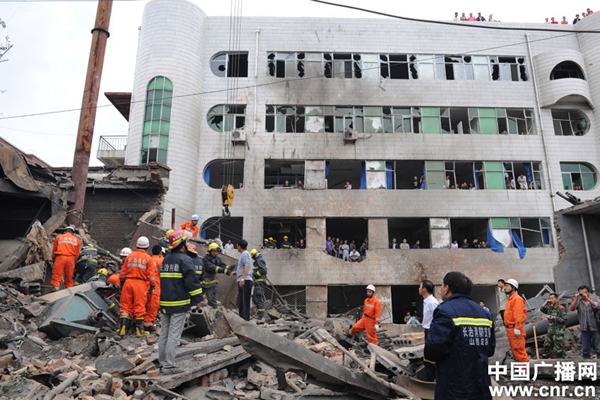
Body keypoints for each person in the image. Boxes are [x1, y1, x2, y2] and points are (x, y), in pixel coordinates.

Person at [424, 271, 495, 400]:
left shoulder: (445, 311)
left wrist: (429, 363)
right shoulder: (485, 314)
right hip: (481, 384)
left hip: (454, 385)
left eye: (442, 285)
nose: (441, 289)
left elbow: (434, 347)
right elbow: (490, 349)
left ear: (447, 288)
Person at [158, 229, 204, 375]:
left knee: (164, 334)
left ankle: (162, 363)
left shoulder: (166, 260)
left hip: (165, 303)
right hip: (178, 304)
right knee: (174, 335)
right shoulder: (185, 260)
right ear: (182, 244)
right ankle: (169, 366)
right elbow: (192, 282)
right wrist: (198, 299)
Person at [118, 236, 155, 337]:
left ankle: (122, 328)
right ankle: (139, 331)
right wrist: (152, 285)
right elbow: (151, 275)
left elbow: (123, 272)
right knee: (139, 306)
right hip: (140, 284)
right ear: (147, 247)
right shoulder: (148, 258)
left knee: (125, 306)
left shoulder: (129, 256)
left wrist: (122, 283)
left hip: (128, 282)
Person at [569, 285, 600, 359]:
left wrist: (588, 299)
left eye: (585, 292)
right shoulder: (579, 302)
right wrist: (576, 298)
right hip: (584, 329)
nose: (583, 294)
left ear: (589, 293)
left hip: (594, 328)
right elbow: (571, 308)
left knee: (598, 348)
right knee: (585, 350)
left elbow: (597, 306)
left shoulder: (593, 300)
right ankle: (586, 365)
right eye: (581, 293)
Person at [202, 243, 235, 311]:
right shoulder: (205, 259)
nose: (215, 253)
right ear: (210, 251)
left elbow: (223, 267)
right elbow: (212, 268)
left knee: (212, 300)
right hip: (202, 282)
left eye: (216, 251)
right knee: (198, 298)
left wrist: (231, 268)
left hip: (212, 282)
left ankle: (215, 315)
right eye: (214, 251)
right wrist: (226, 271)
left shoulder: (218, 258)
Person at [504, 278, 529, 362]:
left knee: (519, 352)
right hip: (510, 329)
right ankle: (522, 371)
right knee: (515, 352)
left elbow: (518, 315)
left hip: (515, 329)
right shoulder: (510, 300)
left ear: (513, 288)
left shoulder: (517, 299)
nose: (505, 288)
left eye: (507, 286)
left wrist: (517, 327)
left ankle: (525, 372)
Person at [420, 280, 439, 382]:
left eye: (420, 287)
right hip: (428, 331)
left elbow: (438, 319)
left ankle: (432, 380)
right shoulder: (427, 301)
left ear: (424, 289)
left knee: (430, 357)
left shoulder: (432, 302)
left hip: (432, 331)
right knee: (427, 357)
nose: (419, 289)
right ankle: (430, 379)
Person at [51, 226, 81, 291]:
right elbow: (77, 253)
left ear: (64, 231)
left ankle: (55, 287)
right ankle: (69, 289)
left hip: (60, 257)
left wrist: (53, 259)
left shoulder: (58, 237)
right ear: (72, 233)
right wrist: (74, 260)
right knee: (69, 275)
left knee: (57, 273)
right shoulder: (76, 240)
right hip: (71, 259)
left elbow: (54, 250)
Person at [541, 293, 567, 358]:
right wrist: (545, 303)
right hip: (550, 331)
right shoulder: (550, 308)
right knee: (547, 346)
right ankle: (545, 361)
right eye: (550, 298)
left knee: (559, 348)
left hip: (558, 332)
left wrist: (554, 318)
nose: (551, 300)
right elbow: (542, 309)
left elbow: (564, 320)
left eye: (552, 298)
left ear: (557, 299)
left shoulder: (561, 308)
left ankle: (563, 361)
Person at [144, 245, 163, 331]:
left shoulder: (148, 260)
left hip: (144, 286)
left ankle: (140, 323)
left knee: (144, 305)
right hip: (156, 286)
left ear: (151, 252)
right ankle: (148, 326)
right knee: (153, 306)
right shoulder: (162, 261)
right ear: (160, 252)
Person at [236, 240, 253, 321]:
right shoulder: (246, 254)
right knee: (243, 301)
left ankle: (244, 320)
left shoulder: (245, 254)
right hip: (245, 279)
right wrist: (237, 272)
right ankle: (244, 319)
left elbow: (246, 266)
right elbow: (244, 267)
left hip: (245, 280)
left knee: (243, 302)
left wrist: (242, 279)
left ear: (239, 246)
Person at [250, 249, 268, 320]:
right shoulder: (259, 260)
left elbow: (263, 270)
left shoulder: (259, 260)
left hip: (260, 283)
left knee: (258, 298)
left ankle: (260, 316)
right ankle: (258, 314)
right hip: (258, 283)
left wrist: (254, 274)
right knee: (255, 298)